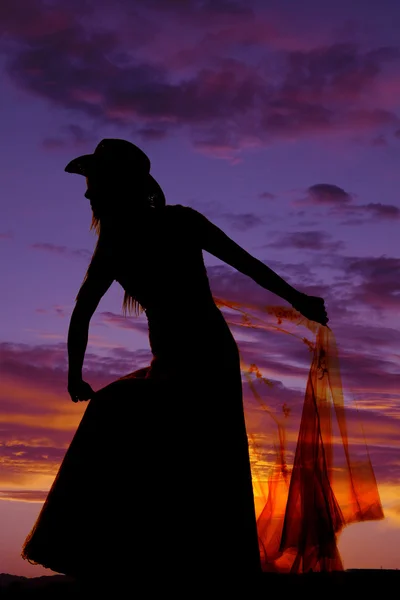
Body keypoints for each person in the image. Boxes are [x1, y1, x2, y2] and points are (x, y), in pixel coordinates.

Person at [21, 139, 328, 588]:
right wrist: (73, 372)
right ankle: (152, 561)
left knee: (177, 444)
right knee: (162, 448)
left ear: (117, 186)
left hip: (205, 354)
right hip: (168, 356)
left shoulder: (182, 222)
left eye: (93, 184)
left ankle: (182, 565)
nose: (87, 194)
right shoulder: (113, 244)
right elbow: (82, 310)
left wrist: (298, 300)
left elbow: (247, 264)